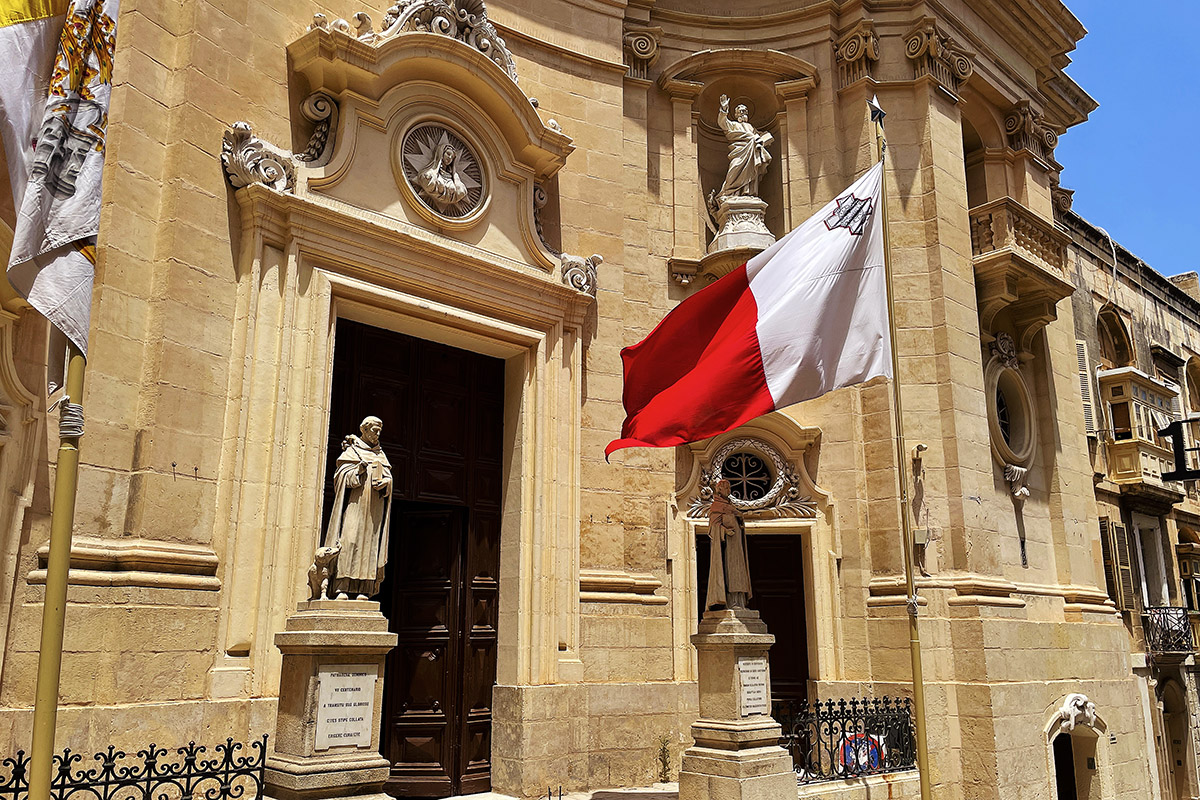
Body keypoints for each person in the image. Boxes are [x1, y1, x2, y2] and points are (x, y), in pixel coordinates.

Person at [323, 416, 393, 599]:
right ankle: (341, 586)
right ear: (364, 430)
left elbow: (389, 479)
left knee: (369, 546)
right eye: (374, 430)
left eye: (379, 431)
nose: (377, 434)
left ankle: (364, 588)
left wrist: (386, 483)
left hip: (374, 510)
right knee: (349, 540)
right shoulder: (352, 451)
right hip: (356, 504)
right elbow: (340, 478)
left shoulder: (380, 454)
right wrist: (358, 471)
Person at [705, 479, 752, 610]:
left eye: (730, 488)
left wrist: (739, 518)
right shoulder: (716, 506)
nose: (729, 491)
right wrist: (724, 531)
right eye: (726, 488)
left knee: (739, 571)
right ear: (719, 489)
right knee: (730, 571)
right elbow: (712, 527)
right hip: (727, 545)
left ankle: (740, 601)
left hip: (737, 545)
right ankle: (731, 602)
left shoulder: (729, 505)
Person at [716, 94, 773, 199]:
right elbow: (723, 123)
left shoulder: (751, 127)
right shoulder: (733, 125)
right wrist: (724, 109)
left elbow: (761, 136)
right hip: (739, 152)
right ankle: (730, 193)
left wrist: (764, 138)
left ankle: (748, 193)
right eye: (741, 111)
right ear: (736, 114)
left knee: (752, 172)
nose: (743, 113)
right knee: (734, 168)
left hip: (752, 153)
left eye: (745, 111)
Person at [416, 142, 468, 212]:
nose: (450, 158)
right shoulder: (429, 175)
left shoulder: (453, 179)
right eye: (448, 154)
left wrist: (455, 176)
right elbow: (428, 183)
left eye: (452, 157)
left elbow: (461, 192)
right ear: (441, 153)